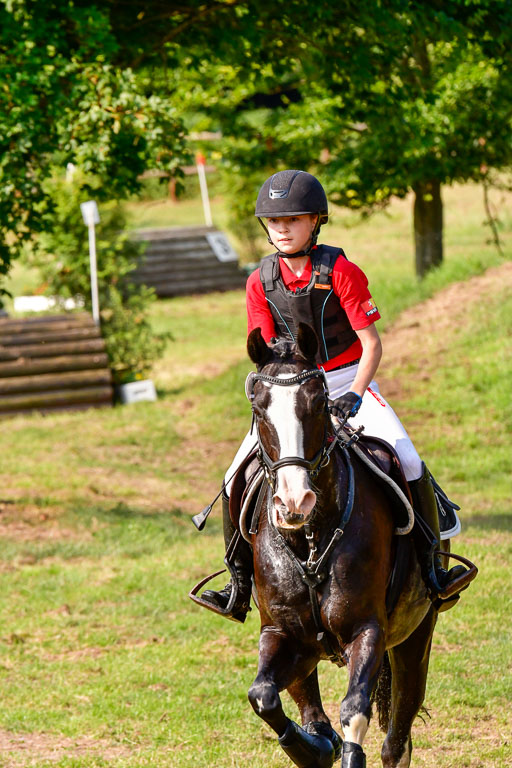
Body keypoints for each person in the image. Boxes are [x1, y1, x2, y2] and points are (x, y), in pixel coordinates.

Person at [201, 169, 467, 622]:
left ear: (315, 222)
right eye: (274, 222)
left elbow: (372, 345)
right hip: (294, 392)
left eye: (293, 220)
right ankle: (237, 584)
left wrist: (357, 395)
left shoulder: (341, 271)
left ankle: (432, 571)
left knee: (408, 459)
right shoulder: (258, 282)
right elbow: (264, 353)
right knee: (233, 478)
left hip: (347, 381)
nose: (282, 230)